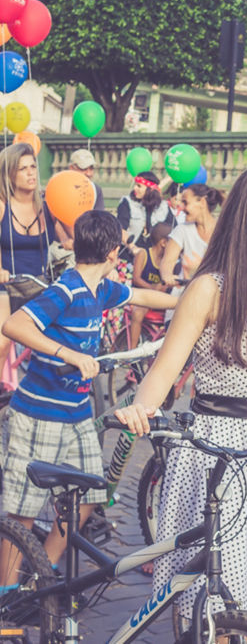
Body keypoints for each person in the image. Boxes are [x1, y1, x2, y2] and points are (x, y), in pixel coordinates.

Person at [114, 164, 247, 622]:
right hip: (213, 454)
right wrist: (138, 409)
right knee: (212, 600)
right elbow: (166, 369)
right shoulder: (209, 289)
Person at [0, 210, 176, 577]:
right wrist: (68, 354)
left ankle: (40, 578)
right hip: (38, 414)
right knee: (24, 514)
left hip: (76, 413)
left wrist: (192, 303)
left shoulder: (103, 289)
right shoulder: (66, 289)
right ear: (113, 253)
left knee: (88, 499)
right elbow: (14, 324)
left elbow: (142, 295)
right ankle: (6, 602)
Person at [0, 143, 71, 369]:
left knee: (62, 336)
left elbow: (68, 241)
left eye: (33, 166)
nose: (31, 172)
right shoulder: (2, 206)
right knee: (2, 344)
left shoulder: (47, 206)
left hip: (37, 283)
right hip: (6, 284)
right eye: (23, 168)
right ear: (9, 174)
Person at [159, 183, 224, 286]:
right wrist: (167, 275)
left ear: (202, 202)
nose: (181, 207)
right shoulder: (182, 230)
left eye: (185, 202)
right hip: (186, 291)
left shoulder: (224, 231)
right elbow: (168, 261)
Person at [128, 222, 180, 348]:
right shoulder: (144, 254)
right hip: (142, 299)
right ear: (163, 243)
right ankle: (132, 350)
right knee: (138, 313)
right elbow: (136, 279)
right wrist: (152, 289)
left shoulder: (169, 261)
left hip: (158, 299)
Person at [116, 171, 177, 252]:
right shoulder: (127, 203)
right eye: (135, 185)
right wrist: (133, 248)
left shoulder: (163, 206)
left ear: (150, 189)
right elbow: (121, 229)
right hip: (130, 252)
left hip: (154, 254)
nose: (135, 188)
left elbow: (174, 228)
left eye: (139, 186)